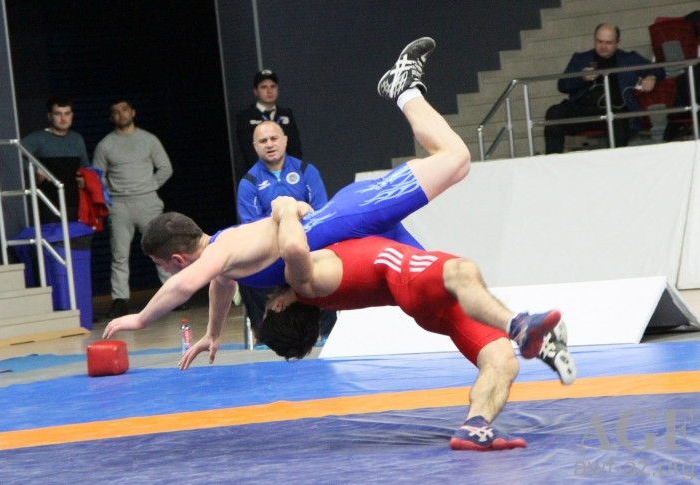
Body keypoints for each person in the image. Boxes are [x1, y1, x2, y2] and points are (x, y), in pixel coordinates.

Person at [103, 38, 568, 398]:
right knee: (439, 294)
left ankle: (402, 87)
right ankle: (519, 339)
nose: (172, 275)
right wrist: (210, 333)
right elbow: (217, 288)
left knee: (457, 159)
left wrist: (141, 319)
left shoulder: (219, 252)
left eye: (166, 268)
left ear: (178, 259)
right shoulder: (223, 260)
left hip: (347, 218)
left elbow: (187, 285)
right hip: (352, 233)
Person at [261, 196, 576, 451]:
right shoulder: (303, 281)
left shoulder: (316, 286)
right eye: (267, 305)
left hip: (435, 305)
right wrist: (286, 208)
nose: (268, 295)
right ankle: (520, 327)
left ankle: (475, 424)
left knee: (503, 362)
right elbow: (292, 242)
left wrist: (216, 330)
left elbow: (315, 221)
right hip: (407, 277)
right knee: (462, 270)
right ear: (278, 306)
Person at [237, 120, 336, 347]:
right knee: (245, 277)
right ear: (255, 146)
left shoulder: (306, 171)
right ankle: (263, 332)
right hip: (271, 253)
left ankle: (327, 332)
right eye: (263, 141)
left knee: (330, 265)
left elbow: (321, 213)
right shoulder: (249, 182)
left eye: (274, 139)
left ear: (285, 140)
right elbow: (251, 227)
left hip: (309, 246)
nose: (269, 144)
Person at [93, 99, 173, 319]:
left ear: (133, 112)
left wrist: (149, 186)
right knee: (119, 254)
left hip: (147, 201)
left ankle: (172, 295)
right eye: (116, 111)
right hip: (120, 205)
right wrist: (112, 196)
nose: (121, 114)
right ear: (112, 117)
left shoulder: (148, 140)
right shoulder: (105, 144)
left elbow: (165, 168)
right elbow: (97, 177)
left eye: (125, 109)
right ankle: (120, 300)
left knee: (161, 248)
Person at [544, 23, 665, 154]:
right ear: (594, 40)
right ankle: (552, 159)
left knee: (618, 119)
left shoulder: (629, 58)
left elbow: (660, 69)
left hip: (615, 112)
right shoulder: (580, 59)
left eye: (608, 43)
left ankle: (614, 163)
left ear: (618, 43)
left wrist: (651, 77)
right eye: (599, 41)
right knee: (554, 113)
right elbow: (562, 86)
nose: (603, 46)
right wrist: (581, 78)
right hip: (582, 110)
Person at [21, 96, 90, 222]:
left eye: (67, 114)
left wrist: (85, 177)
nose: (63, 118)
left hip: (75, 204)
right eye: (58, 114)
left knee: (78, 241)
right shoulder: (39, 137)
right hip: (48, 205)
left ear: (72, 115)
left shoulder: (77, 138)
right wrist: (35, 169)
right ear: (49, 116)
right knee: (54, 241)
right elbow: (12, 153)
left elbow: (85, 167)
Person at [234, 69, 303, 186]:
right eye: (264, 87)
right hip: (258, 177)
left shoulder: (286, 114)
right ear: (255, 91)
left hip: (288, 175)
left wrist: (292, 171)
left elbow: (295, 147)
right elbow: (247, 151)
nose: (269, 90)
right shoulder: (245, 117)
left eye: (273, 86)